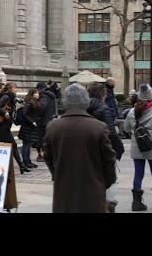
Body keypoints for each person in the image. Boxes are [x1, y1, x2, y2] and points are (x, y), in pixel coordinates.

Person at [42, 83, 117, 213]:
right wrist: (105, 182)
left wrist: (57, 174)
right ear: (86, 101)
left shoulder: (53, 127)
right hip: (93, 188)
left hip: (64, 189)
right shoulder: (98, 127)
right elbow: (109, 159)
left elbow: (47, 156)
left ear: (65, 102)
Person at [124, 84, 152, 211]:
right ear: (151, 98)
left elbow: (126, 128)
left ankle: (136, 202)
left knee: (138, 174)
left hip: (137, 146)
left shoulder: (132, 111)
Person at [86, 82, 124, 213]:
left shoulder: (83, 108)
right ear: (102, 94)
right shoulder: (104, 108)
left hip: (87, 150)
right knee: (111, 179)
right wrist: (119, 149)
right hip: (103, 149)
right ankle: (108, 205)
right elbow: (111, 132)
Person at [0, 82, 30, 174]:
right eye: (15, 88)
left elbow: (13, 103)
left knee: (13, 146)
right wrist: (4, 113)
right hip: (1, 127)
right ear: (10, 89)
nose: (16, 89)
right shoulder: (6, 97)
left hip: (5, 127)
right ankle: (6, 168)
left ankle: (21, 166)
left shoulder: (12, 98)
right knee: (10, 146)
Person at [18, 89, 42, 170]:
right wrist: (32, 122)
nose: (38, 94)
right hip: (27, 126)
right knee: (26, 145)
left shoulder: (34, 102)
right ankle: (26, 162)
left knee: (28, 145)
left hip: (31, 126)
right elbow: (24, 113)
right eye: (36, 93)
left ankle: (28, 161)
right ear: (32, 94)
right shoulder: (29, 102)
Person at [35, 82, 57, 162]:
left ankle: (42, 155)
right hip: (49, 119)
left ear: (39, 88)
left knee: (41, 139)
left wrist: (37, 113)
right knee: (47, 138)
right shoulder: (51, 95)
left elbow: (42, 107)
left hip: (42, 121)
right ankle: (48, 154)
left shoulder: (43, 96)